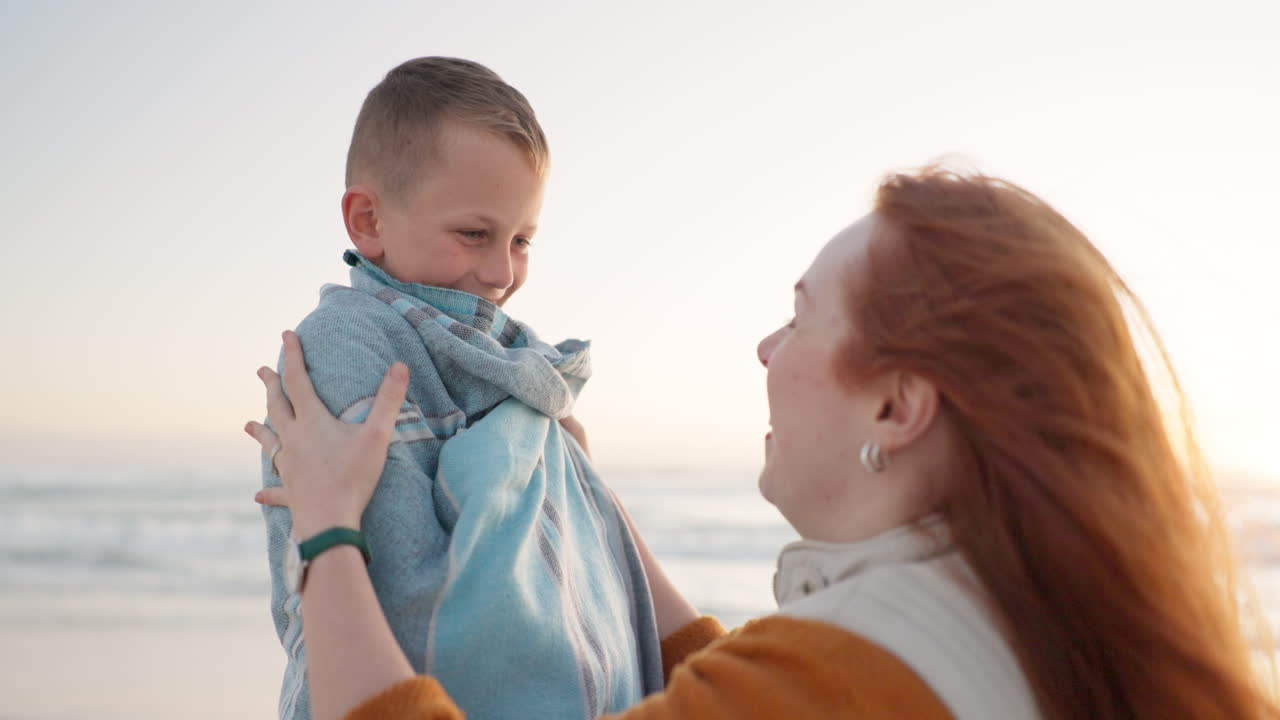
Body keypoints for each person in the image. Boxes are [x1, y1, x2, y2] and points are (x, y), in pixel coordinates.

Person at [247, 165, 1279, 720]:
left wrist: (330, 539)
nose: (762, 347)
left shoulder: (856, 667)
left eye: (799, 315)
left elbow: (791, 690)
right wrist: (587, 500)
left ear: (896, 408)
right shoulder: (1039, 612)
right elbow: (742, 678)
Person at [257, 56, 670, 720]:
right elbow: (402, 603)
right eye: (474, 234)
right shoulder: (348, 344)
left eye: (523, 240)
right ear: (367, 220)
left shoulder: (509, 361)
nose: (502, 272)